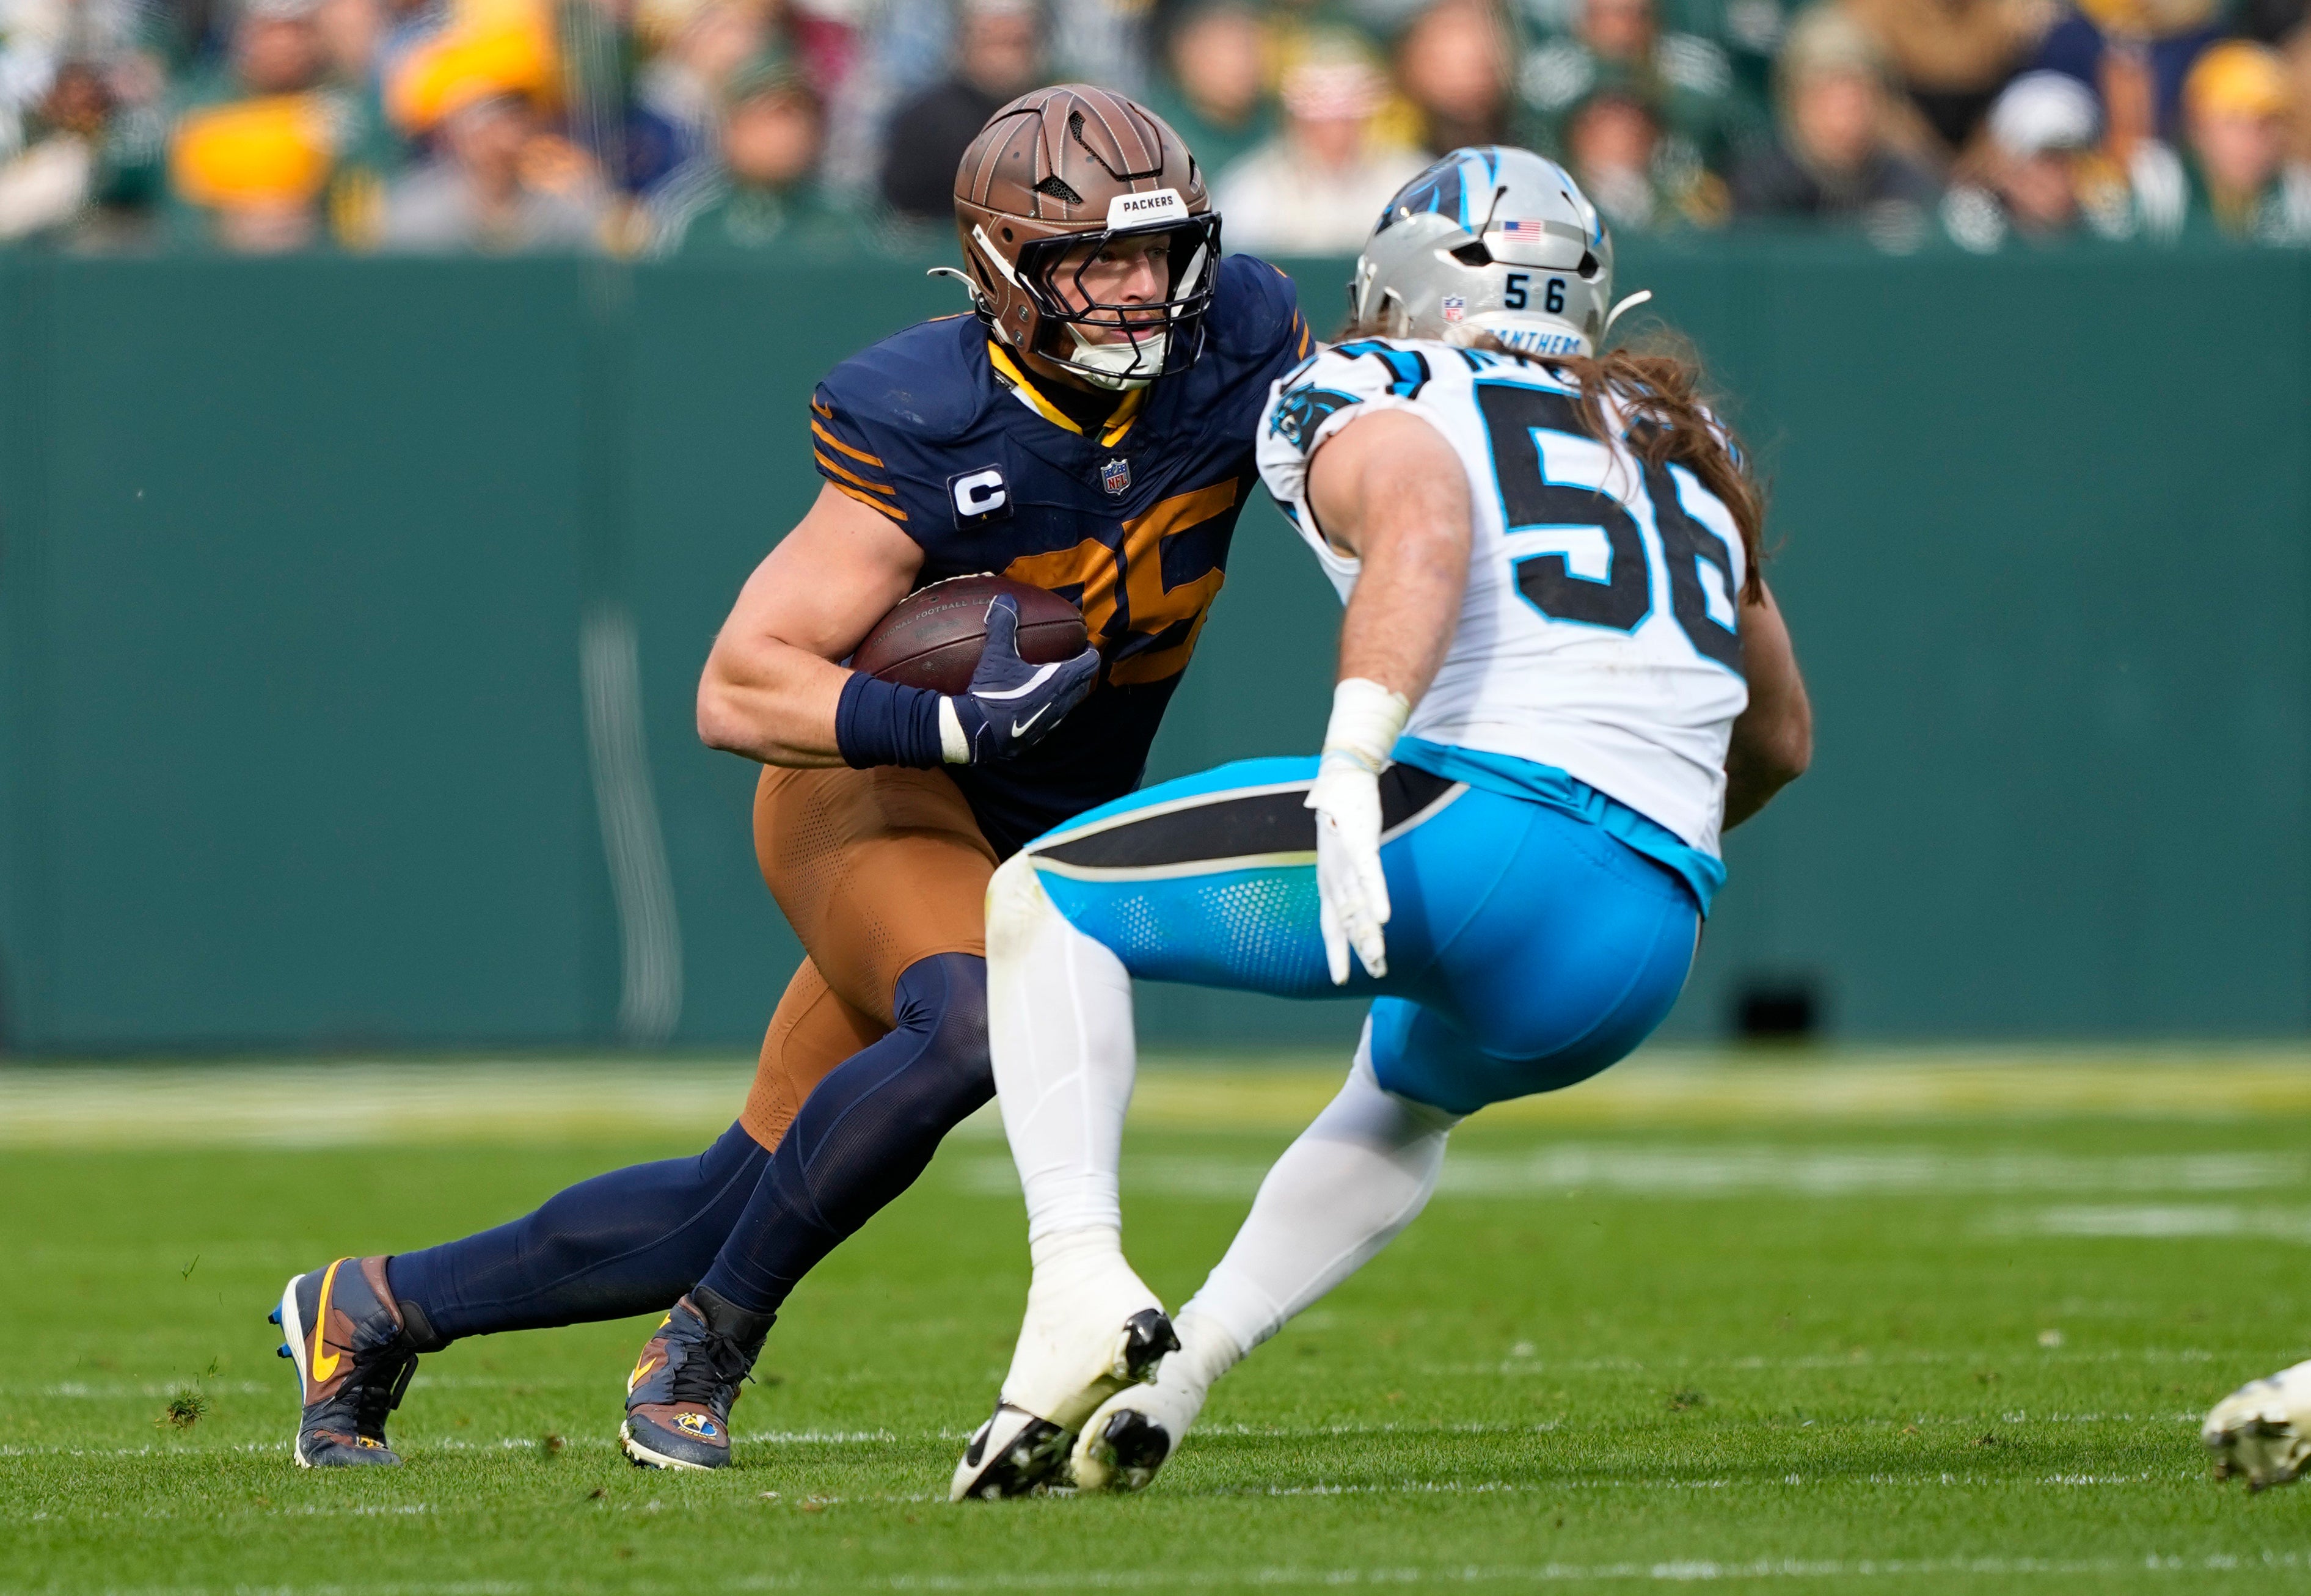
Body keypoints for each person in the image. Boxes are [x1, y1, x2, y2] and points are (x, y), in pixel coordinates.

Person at [268, 83, 1315, 1471]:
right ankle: (710, 1342)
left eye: (1154, 256)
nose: (1134, 293)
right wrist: (940, 726)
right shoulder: (931, 412)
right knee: (980, 1026)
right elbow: (739, 681)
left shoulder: (1241, 335)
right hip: (874, 791)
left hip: (1036, 825)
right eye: (1090, 265)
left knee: (735, 1189)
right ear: (1007, 268)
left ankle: (374, 1308)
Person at [949, 144, 1811, 1501]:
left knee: (1046, 898)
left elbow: (1418, 510)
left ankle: (1076, 1276)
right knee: (1401, 1102)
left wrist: (1359, 756)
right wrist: (1624, 849)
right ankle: (1174, 1382)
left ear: (1402, 286)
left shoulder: (1375, 377)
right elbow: (1777, 738)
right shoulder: (1685, 438)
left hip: (1467, 835)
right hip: (1639, 941)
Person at [1731, 5, 1938, 233]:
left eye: (1860, 91)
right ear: (1797, 103)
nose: (1848, 108)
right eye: (1830, 91)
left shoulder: (1909, 186)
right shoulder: (1763, 188)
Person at [1211, 38, 1429, 255]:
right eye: (1317, 100)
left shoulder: (1412, 183)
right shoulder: (1250, 191)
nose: (1334, 125)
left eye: (1347, 105)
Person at [650, 56, 864, 255]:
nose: (781, 134)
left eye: (793, 117)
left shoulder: (845, 218)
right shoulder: (695, 219)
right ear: (730, 131)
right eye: (764, 118)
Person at [878, 0, 1042, 220]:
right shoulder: (926, 119)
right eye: (993, 43)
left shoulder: (1050, 115)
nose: (1006, 58)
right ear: (966, 44)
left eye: (1017, 44)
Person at [2175, 38, 2311, 242]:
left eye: (2268, 123)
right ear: (2197, 124)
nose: (2252, 141)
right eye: (2234, 120)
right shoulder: (2157, 193)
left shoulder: (2300, 199)